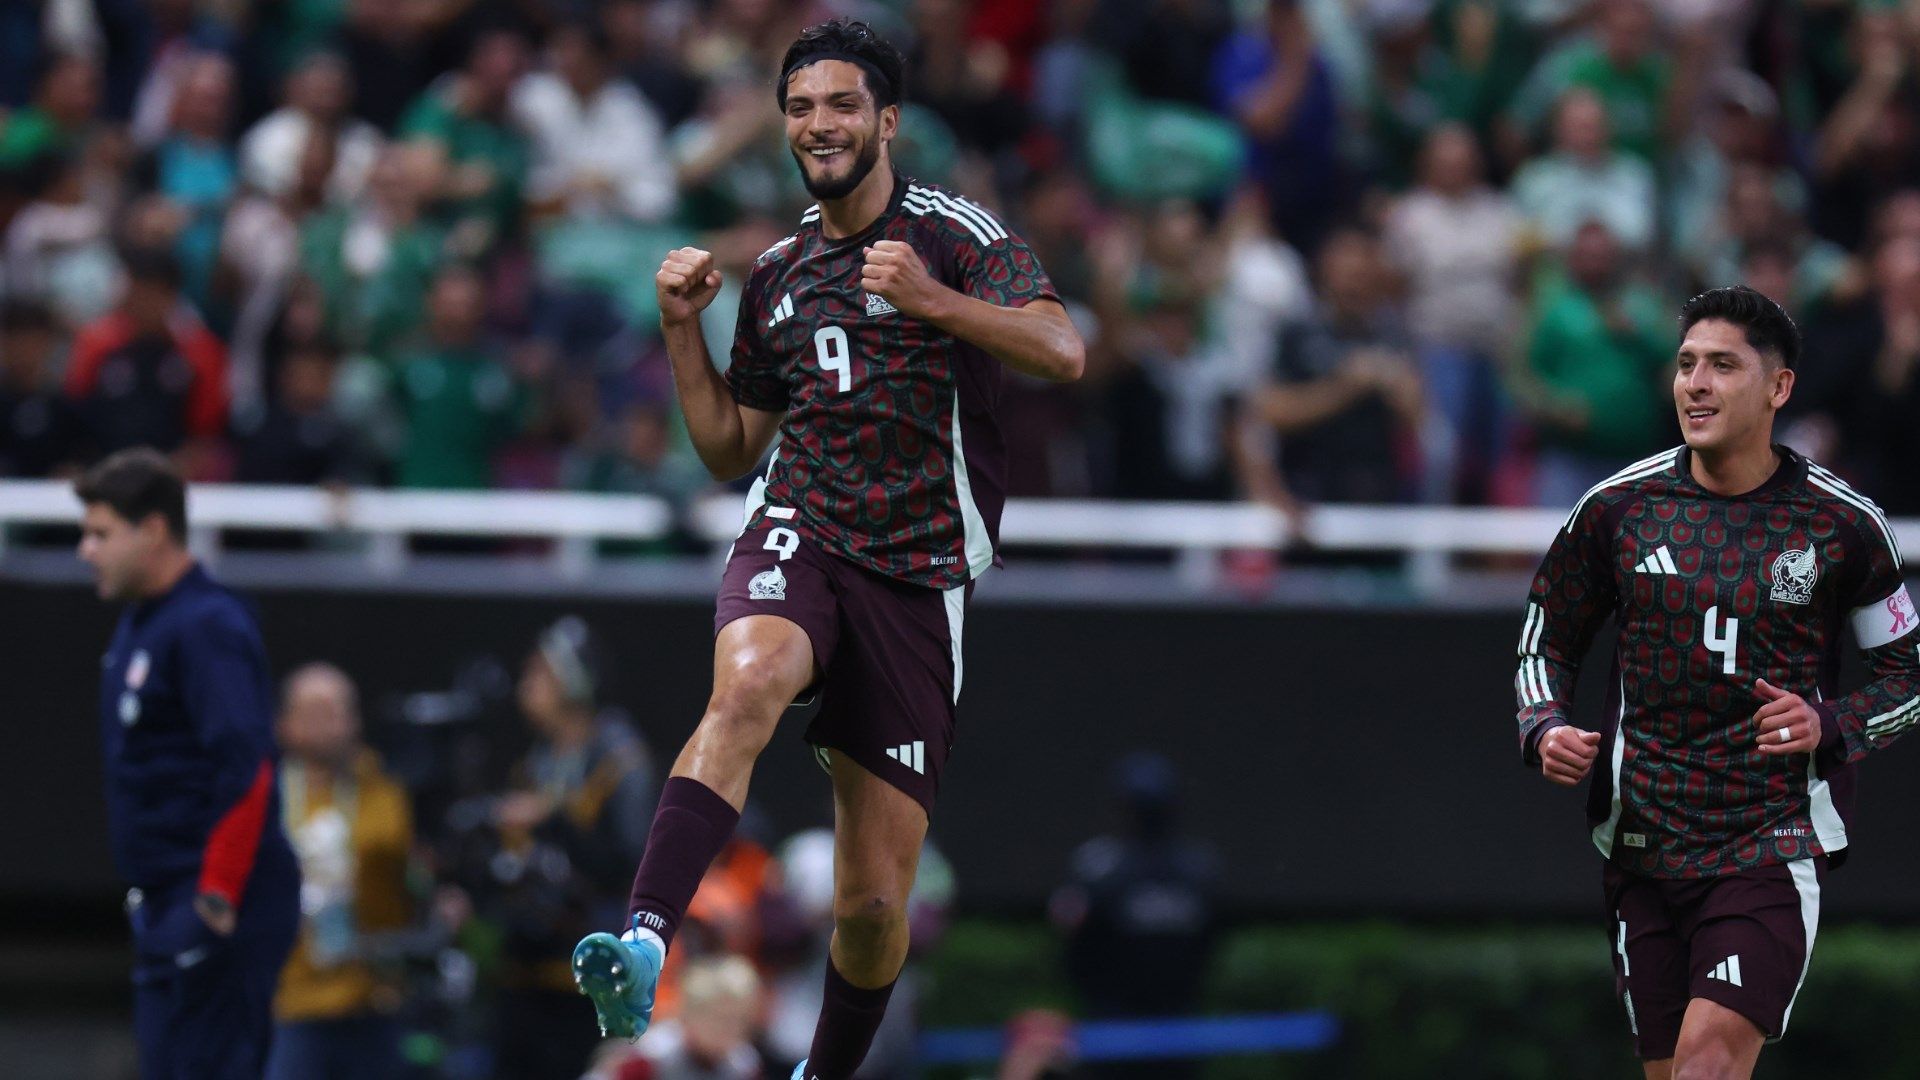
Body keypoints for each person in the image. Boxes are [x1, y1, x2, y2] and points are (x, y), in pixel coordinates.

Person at [571, 18, 1084, 1080]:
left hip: (919, 577)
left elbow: (1062, 347)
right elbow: (728, 449)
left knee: (871, 908)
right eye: (800, 108)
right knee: (747, 680)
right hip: (801, 528)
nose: (819, 125)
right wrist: (681, 330)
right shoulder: (777, 275)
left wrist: (931, 300)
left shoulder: (952, 235)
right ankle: (644, 942)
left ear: (887, 121)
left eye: (842, 105)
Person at [1514, 286, 1920, 1078]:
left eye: (1723, 365)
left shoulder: (1841, 526)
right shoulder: (1617, 509)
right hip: (1641, 844)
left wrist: (1829, 724)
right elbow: (1546, 638)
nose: (1695, 384)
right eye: (1687, 364)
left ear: (1779, 387)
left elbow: (1908, 676)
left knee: (1707, 1066)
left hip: (1767, 842)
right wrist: (1543, 723)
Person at [75, 447, 301, 1078]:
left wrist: (216, 894)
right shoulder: (142, 624)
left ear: (152, 529)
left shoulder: (206, 625)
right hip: (166, 899)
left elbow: (247, 766)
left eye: (100, 534)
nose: (85, 551)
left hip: (215, 900)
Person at [267, 663, 414, 1080]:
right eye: (316, 711)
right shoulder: (269, 797)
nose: (332, 723)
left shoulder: (379, 787)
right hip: (293, 999)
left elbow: (392, 852)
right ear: (286, 725)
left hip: (371, 995)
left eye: (340, 710)